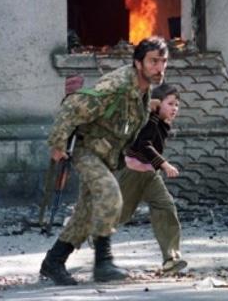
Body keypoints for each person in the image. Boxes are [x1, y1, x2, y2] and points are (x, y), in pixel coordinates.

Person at [39, 36, 169, 285]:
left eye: (163, 62)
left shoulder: (142, 89)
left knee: (85, 214)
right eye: (153, 61)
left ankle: (53, 262)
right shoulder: (117, 85)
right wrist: (57, 144)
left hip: (106, 156)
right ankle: (103, 262)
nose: (159, 68)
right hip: (87, 151)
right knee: (110, 194)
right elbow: (73, 107)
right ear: (138, 63)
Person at [116, 83, 187, 274]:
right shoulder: (149, 120)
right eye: (170, 103)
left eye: (177, 105)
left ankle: (171, 259)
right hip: (133, 173)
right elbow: (145, 145)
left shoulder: (160, 122)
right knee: (120, 215)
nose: (175, 108)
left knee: (165, 206)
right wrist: (164, 164)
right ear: (157, 104)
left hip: (150, 175)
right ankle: (87, 227)